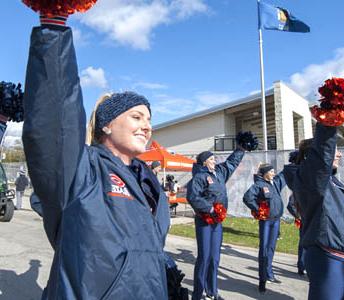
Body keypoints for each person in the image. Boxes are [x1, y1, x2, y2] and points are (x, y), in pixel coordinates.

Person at [22, 12, 172, 299]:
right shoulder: (83, 169)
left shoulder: (149, 181)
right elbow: (56, 120)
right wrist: (54, 27)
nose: (147, 126)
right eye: (137, 116)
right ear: (107, 124)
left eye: (150, 119)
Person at [284, 127, 344, 300]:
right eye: (335, 150)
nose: (340, 154)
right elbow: (322, 151)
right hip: (327, 257)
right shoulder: (314, 178)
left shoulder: (330, 181)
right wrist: (329, 122)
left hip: (339, 258)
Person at [187, 146, 247, 300]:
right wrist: (210, 209)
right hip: (204, 221)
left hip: (217, 222)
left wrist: (241, 149)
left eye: (214, 159)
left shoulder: (219, 173)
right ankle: (198, 293)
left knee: (215, 257)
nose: (215, 161)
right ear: (204, 162)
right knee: (204, 257)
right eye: (212, 159)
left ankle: (212, 291)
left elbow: (231, 163)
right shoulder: (199, 177)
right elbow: (193, 197)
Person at [243, 163, 287, 293]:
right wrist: (258, 209)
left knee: (271, 248)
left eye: (274, 171)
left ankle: (269, 273)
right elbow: (247, 198)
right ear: (265, 173)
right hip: (266, 221)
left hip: (276, 220)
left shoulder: (275, 183)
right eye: (271, 171)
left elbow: (285, 174)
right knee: (264, 249)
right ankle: (262, 280)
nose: (274, 173)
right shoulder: (259, 185)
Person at [286, 193, 305, 276]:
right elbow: (290, 205)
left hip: (315, 221)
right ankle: (301, 266)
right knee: (304, 244)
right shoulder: (298, 189)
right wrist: (299, 216)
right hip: (305, 222)